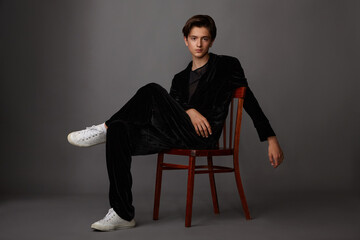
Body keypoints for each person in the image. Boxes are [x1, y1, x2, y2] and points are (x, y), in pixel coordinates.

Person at [67, 15, 284, 231]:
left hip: (203, 136)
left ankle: (101, 128)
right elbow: (169, 113)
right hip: (175, 133)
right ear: (185, 40)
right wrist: (190, 110)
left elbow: (250, 100)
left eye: (205, 38)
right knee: (119, 130)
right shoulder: (179, 79)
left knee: (151, 90)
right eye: (194, 38)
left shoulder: (227, 65)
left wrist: (271, 139)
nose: (199, 44)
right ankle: (122, 213)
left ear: (212, 41)